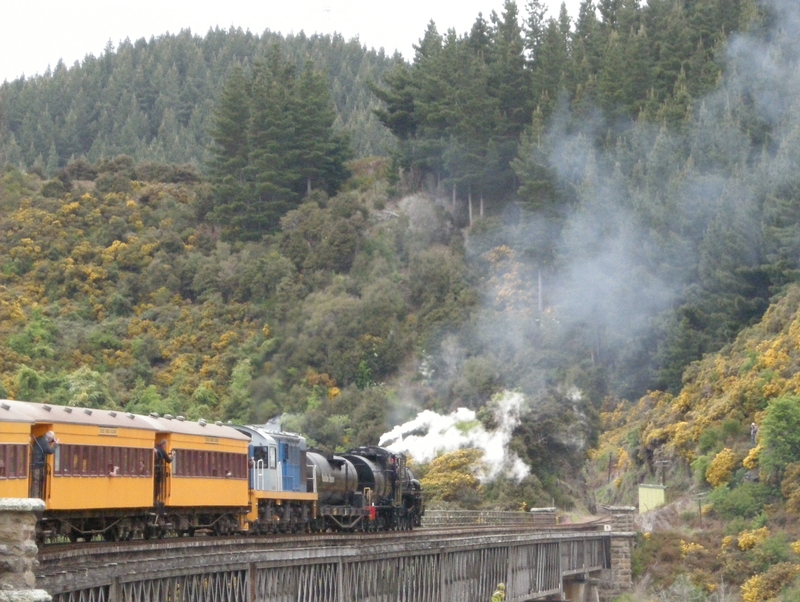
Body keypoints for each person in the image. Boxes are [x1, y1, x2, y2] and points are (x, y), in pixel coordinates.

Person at [31, 431, 58, 499]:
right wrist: (55, 444)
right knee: (37, 482)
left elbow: (45, 447)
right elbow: (50, 451)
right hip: (38, 465)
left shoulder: (40, 439)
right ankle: (36, 498)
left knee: (37, 482)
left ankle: (37, 497)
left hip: (36, 463)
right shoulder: (44, 441)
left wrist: (51, 442)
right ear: (50, 438)